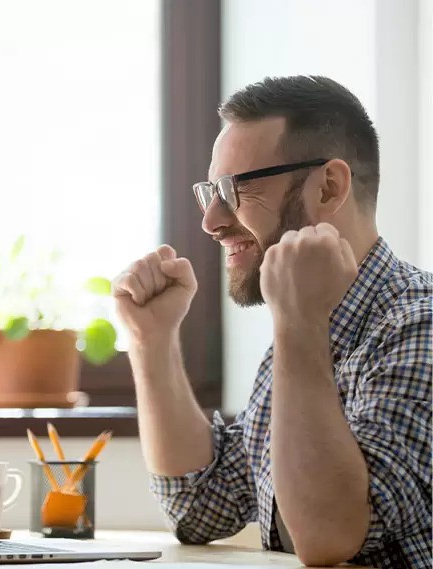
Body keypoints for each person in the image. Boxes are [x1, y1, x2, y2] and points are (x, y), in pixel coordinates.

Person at [111, 75, 432, 569]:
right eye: (208, 192)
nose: (211, 220)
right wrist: (151, 343)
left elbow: (329, 537)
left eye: (234, 189)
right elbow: (201, 505)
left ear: (329, 187)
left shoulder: (420, 328)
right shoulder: (303, 331)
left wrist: (299, 325)